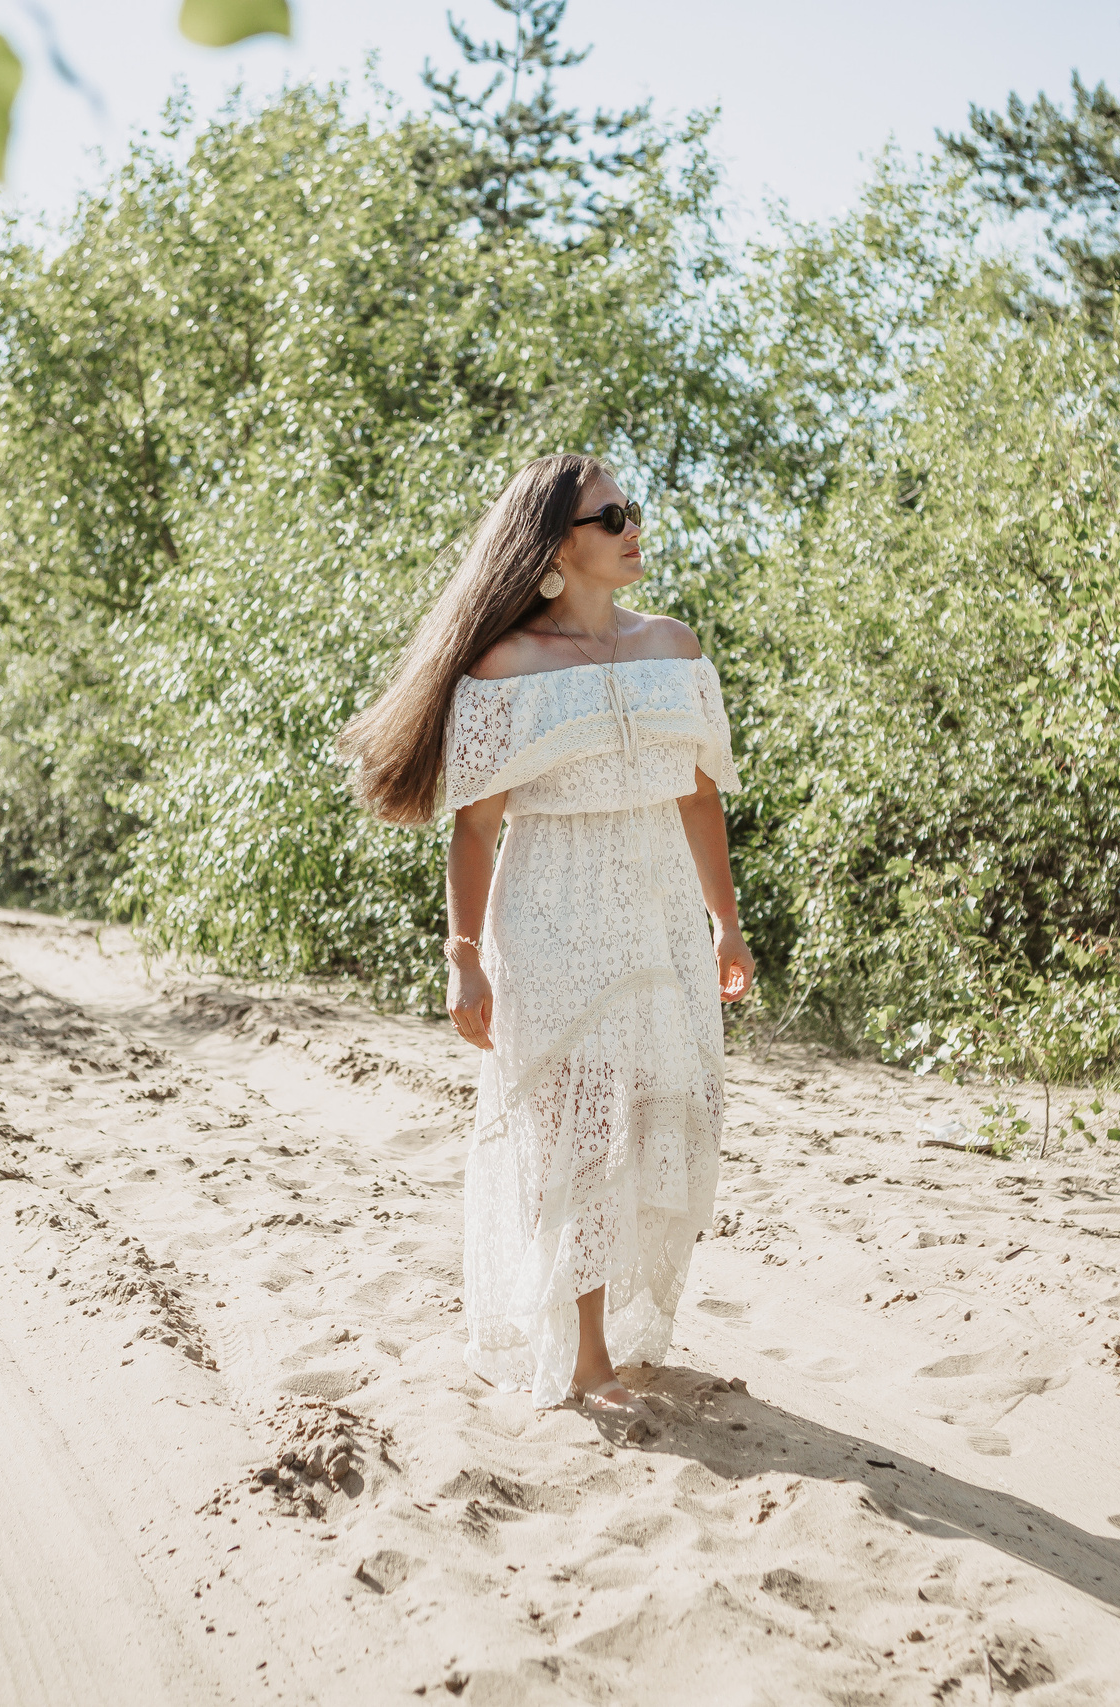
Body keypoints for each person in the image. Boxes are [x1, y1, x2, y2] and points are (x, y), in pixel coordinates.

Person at [339, 453, 754, 1421]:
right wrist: (463, 957)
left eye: (632, 511)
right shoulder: (504, 668)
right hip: (550, 911)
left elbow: (698, 795)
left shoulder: (676, 648)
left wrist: (725, 923)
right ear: (555, 548)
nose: (633, 527)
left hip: (655, 913)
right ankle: (586, 1357)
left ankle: (606, 1334)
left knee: (661, 1107)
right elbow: (476, 827)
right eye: (612, 516)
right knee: (575, 1128)